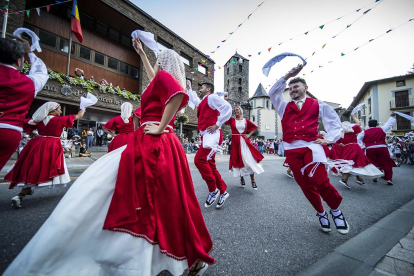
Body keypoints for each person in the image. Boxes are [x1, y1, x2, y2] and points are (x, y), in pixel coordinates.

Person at [4, 37, 215, 276]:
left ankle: (113, 248)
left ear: (163, 64)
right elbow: (160, 81)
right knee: (163, 199)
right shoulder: (159, 80)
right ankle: (152, 254)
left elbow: (177, 95)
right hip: (152, 141)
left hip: (156, 141)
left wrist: (158, 127)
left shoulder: (165, 80)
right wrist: (143, 55)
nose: (154, 66)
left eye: (157, 61)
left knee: (127, 189)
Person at [268, 65, 349, 234]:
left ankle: (335, 211)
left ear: (306, 88)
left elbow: (334, 123)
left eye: (295, 87)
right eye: (290, 89)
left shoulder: (318, 104)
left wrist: (329, 138)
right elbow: (273, 93)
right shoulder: (283, 107)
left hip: (312, 147)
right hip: (291, 150)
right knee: (305, 186)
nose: (292, 90)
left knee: (320, 181)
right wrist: (287, 75)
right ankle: (321, 213)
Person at [5, 102, 85, 209]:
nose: (61, 111)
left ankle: (21, 194)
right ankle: (73, 193)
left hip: (37, 143)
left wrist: (33, 133)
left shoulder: (39, 120)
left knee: (33, 167)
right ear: (53, 110)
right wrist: (84, 106)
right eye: (59, 109)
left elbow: (24, 124)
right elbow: (79, 115)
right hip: (52, 145)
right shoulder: (59, 120)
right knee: (49, 167)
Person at [0, 37, 48, 170]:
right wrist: (29, 51)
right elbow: (41, 72)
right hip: (8, 131)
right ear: (18, 61)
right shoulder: (28, 82)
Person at [186, 80, 232, 209]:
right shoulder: (205, 101)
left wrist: (218, 124)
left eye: (202, 87)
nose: (200, 89)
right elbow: (195, 100)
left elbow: (227, 107)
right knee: (210, 165)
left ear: (208, 89)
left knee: (199, 160)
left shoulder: (212, 98)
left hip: (212, 134)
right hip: (207, 135)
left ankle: (213, 190)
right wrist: (189, 89)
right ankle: (223, 191)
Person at [332, 114, 383, 189]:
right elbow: (358, 123)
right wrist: (354, 117)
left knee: (352, 164)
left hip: (346, 148)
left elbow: (335, 142)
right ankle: (346, 179)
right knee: (357, 163)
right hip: (354, 148)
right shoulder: (352, 130)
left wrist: (340, 144)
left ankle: (357, 178)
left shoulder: (341, 133)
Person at [225, 106, 264, 190]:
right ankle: (241, 178)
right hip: (235, 143)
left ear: (241, 111)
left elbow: (255, 127)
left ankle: (253, 181)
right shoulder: (231, 120)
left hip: (245, 143)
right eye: (234, 110)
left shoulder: (245, 121)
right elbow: (224, 119)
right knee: (239, 160)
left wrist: (249, 134)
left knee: (249, 161)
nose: (236, 111)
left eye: (237, 110)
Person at [357, 114, 397, 185]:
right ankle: (388, 178)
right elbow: (389, 124)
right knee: (386, 162)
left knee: (373, 162)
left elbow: (358, 139)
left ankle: (376, 175)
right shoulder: (382, 128)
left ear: (368, 125)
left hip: (370, 148)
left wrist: (363, 146)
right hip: (382, 147)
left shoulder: (364, 132)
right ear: (377, 124)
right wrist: (392, 117)